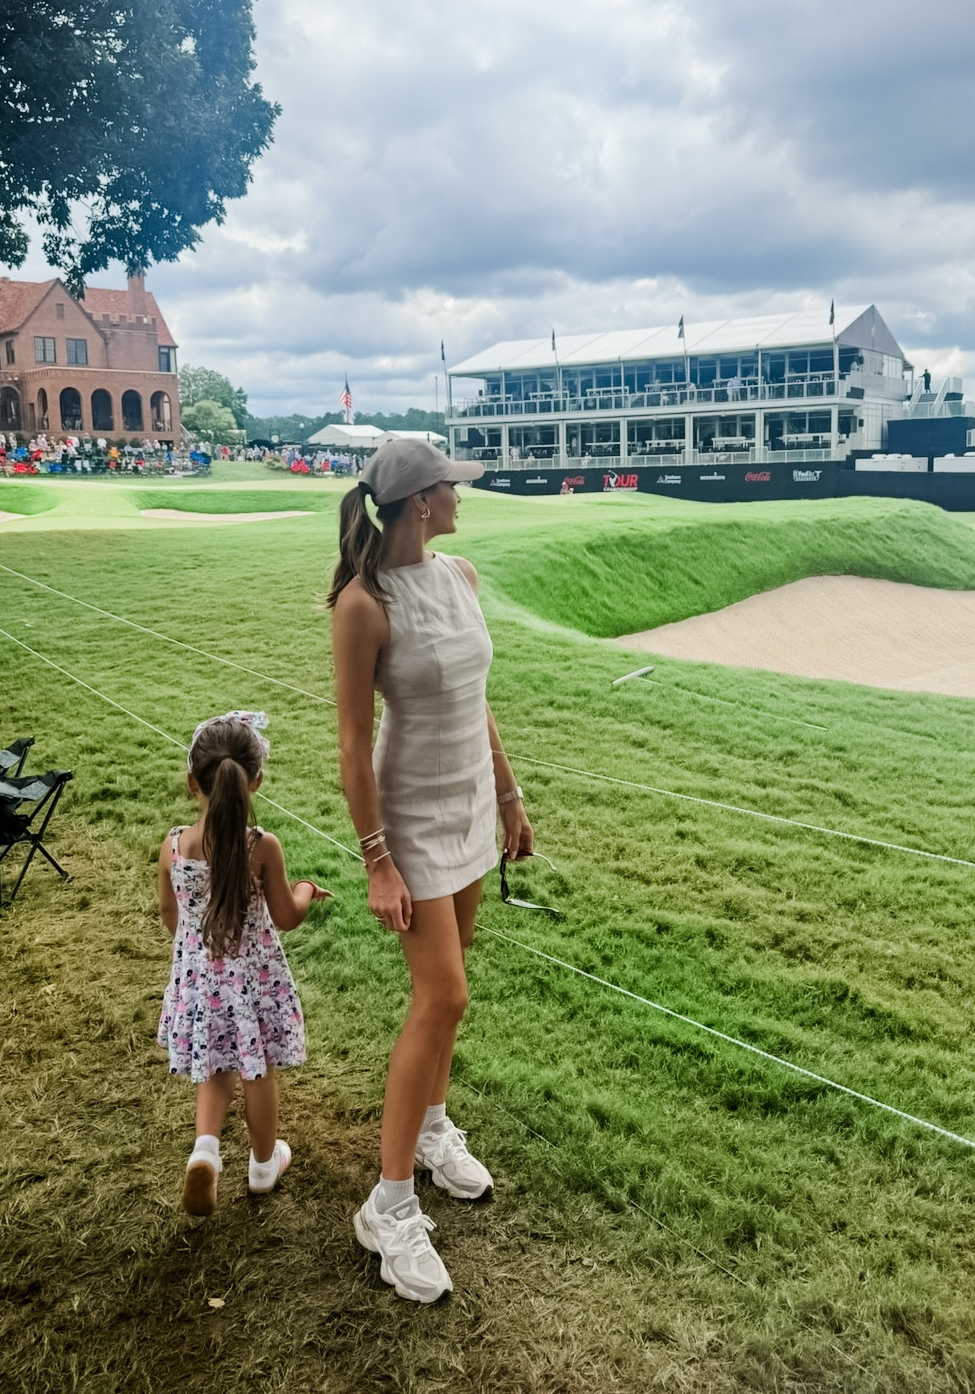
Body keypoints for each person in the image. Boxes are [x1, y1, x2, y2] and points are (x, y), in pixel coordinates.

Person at [330, 440, 534, 1304]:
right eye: (454, 488)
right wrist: (376, 860)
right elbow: (349, 745)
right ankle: (389, 1206)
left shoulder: (462, 575)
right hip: (408, 820)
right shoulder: (362, 604)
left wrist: (509, 791)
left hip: (469, 809)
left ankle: (435, 1129)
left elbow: (475, 699)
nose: (463, 499)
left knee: (453, 990)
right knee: (442, 996)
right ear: (421, 501)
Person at [157, 712, 330, 1217]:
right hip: (254, 983)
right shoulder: (262, 847)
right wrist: (303, 891)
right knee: (257, 1070)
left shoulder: (173, 848)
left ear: (194, 783)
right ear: (256, 781)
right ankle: (261, 1166)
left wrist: (198, 954)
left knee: (214, 1067)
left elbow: (172, 917)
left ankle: (205, 1150)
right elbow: (286, 916)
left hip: (199, 979)